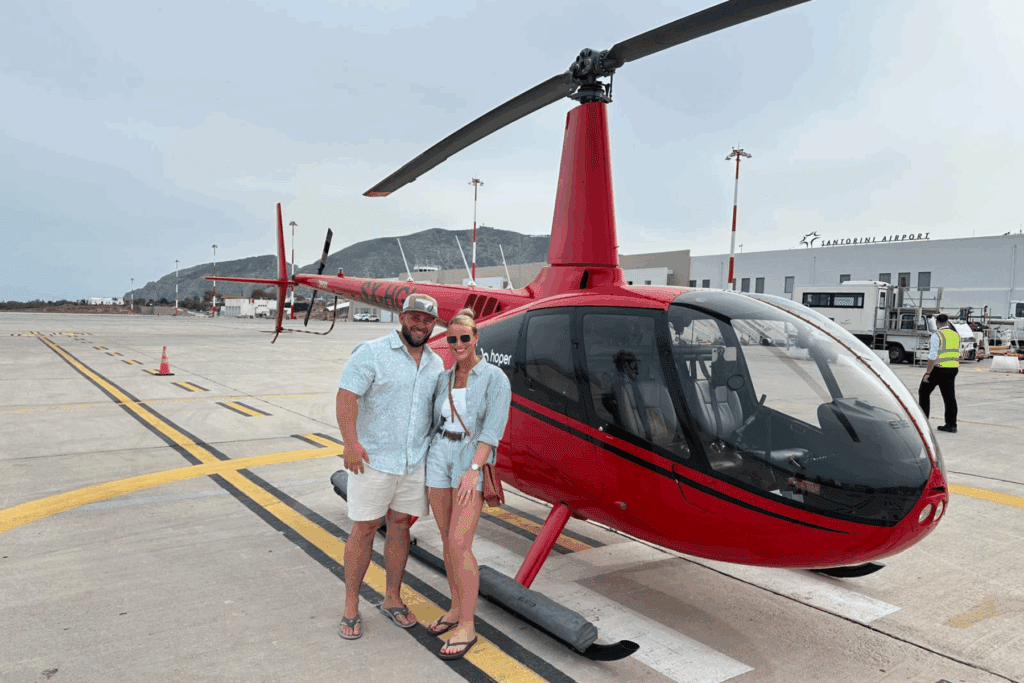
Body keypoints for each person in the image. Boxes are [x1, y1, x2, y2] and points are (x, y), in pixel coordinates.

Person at [335, 293, 445, 640]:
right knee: (365, 528)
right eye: (414, 317)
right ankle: (351, 605)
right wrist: (350, 443)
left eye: (427, 320)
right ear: (402, 316)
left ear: (433, 325)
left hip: (414, 463)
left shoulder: (434, 363)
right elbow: (346, 397)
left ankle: (392, 599)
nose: (420, 324)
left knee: (400, 527)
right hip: (374, 460)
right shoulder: (371, 352)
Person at [423, 308, 511, 660]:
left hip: (468, 457)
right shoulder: (443, 378)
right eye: (452, 339)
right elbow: (432, 420)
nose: (458, 344)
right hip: (438, 455)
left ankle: (468, 625)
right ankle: (456, 607)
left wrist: (475, 467)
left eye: (464, 338)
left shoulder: (494, 377)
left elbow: (493, 428)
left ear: (476, 339)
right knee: (446, 541)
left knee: (460, 543)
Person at [919, 313, 960, 433]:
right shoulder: (955, 335)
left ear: (937, 323)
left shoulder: (937, 335)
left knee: (923, 392)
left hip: (939, 369)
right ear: (947, 322)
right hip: (952, 369)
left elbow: (932, 356)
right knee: (949, 397)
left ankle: (923, 422)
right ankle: (951, 425)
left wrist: (928, 373)